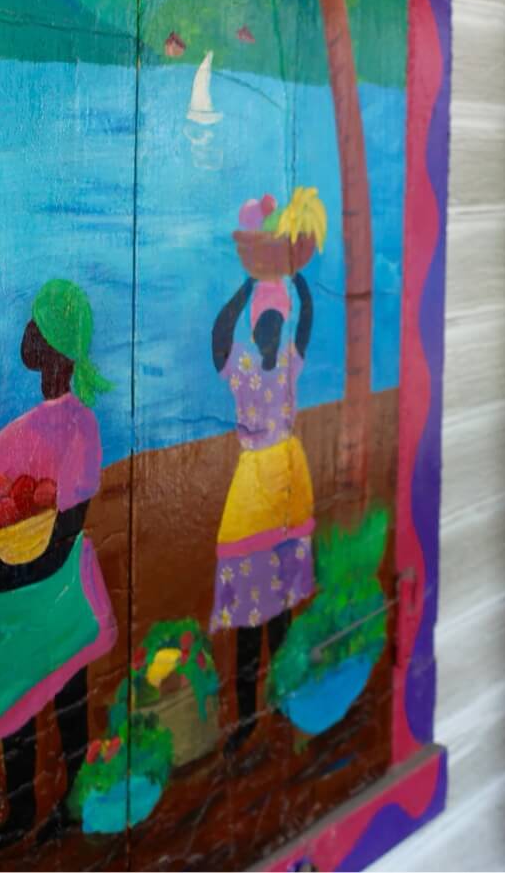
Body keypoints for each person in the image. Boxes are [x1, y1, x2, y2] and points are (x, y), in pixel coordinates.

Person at [0, 280, 118, 852]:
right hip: (19, 592)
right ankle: (21, 808)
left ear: (53, 341)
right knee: (19, 705)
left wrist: (8, 575)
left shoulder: (78, 425)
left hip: (55, 595)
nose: (26, 335)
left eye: (34, 326)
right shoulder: (24, 431)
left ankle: (74, 795)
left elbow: (64, 532)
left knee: (68, 701)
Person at [209, 272, 316, 746]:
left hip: (289, 495)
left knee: (282, 615)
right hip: (253, 497)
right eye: (264, 321)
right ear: (253, 330)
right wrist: (247, 285)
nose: (271, 328)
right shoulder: (244, 371)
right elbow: (218, 333)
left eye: (277, 320)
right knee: (251, 618)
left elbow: (308, 319)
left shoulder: (288, 365)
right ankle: (248, 717)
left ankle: (286, 700)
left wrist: (299, 282)